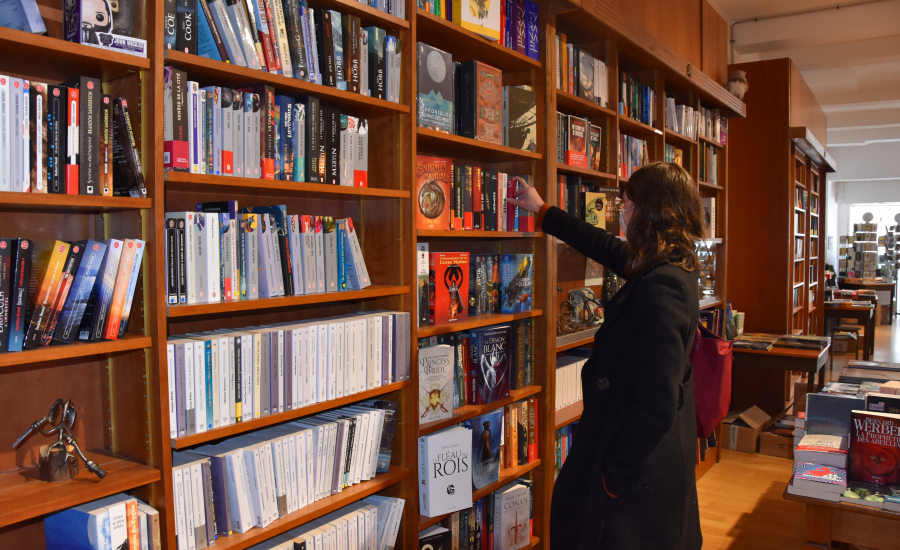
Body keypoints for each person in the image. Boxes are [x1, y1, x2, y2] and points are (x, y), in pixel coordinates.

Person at [508, 162, 704, 550]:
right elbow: (605, 246)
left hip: (639, 474)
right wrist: (543, 210)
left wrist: (614, 476)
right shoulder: (671, 266)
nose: (623, 217)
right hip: (651, 463)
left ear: (651, 213)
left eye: (628, 208)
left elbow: (656, 404)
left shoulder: (661, 286)